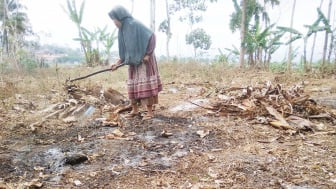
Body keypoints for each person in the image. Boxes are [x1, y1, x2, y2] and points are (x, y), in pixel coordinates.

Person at [109, 5, 162, 121]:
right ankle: (135, 110)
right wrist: (117, 63)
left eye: (115, 22)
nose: (115, 24)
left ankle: (149, 112)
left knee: (145, 84)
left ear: (121, 18)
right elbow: (125, 50)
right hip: (133, 63)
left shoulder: (135, 24)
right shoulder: (122, 31)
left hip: (144, 61)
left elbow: (152, 36)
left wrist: (148, 54)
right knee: (132, 84)